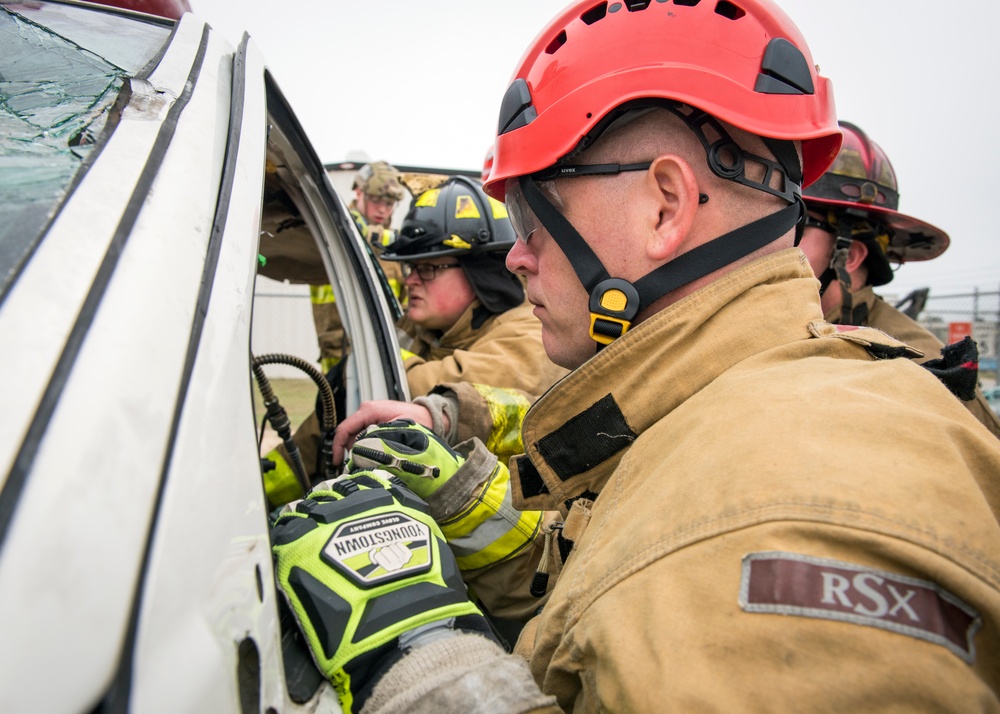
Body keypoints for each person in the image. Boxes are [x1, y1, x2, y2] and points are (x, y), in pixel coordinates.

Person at [273, 1, 1000, 711]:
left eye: (532, 214)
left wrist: (427, 670)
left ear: (664, 207)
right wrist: (462, 501)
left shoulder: (796, 499)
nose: (517, 256)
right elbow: (619, 587)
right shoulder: (710, 410)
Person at [262, 175, 567, 510]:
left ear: (479, 270)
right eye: (409, 267)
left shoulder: (529, 331)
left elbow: (436, 385)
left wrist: (365, 357)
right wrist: (259, 495)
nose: (410, 280)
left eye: (428, 268)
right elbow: (315, 437)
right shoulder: (424, 328)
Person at [798, 121, 1000, 437]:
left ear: (848, 255)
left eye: (797, 224)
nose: (776, 242)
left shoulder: (923, 371)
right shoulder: (783, 326)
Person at [310, 161, 407, 373]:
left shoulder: (395, 249)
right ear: (358, 192)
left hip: (386, 357)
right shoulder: (334, 231)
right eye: (376, 200)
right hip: (338, 354)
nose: (383, 209)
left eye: (390, 203)